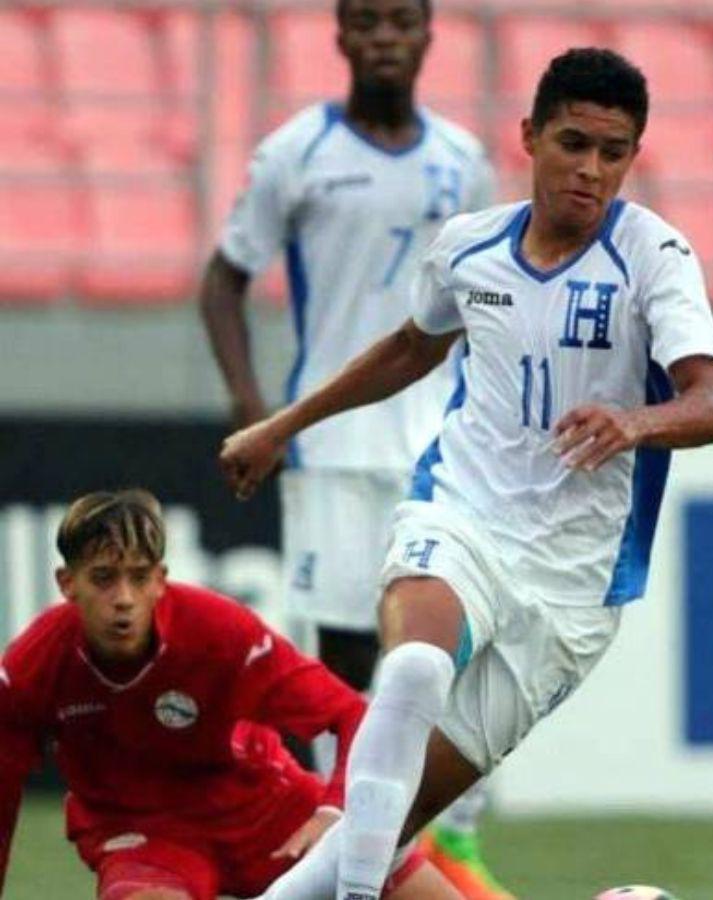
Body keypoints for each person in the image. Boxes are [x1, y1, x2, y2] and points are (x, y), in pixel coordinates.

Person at [220, 46, 713, 900]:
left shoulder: (655, 257)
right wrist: (284, 425)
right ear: (529, 136)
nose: (592, 170)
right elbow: (411, 348)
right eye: (574, 143)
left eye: (614, 154)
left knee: (380, 828)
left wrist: (636, 420)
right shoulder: (470, 248)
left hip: (572, 589)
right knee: (415, 667)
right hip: (461, 516)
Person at [198, 0, 509, 893]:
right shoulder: (296, 152)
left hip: (442, 450)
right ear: (339, 36)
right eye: (366, 22)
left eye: (400, 22)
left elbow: (492, 300)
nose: (383, 38)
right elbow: (223, 278)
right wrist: (257, 408)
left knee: (448, 651)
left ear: (426, 35)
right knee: (342, 668)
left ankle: (452, 841)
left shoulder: (463, 162)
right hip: (330, 448)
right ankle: (349, 858)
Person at [0, 489, 460, 900]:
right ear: (67, 584)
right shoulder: (32, 666)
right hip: (142, 835)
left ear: (160, 580)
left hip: (263, 811)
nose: (123, 598)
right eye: (103, 578)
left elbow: (349, 714)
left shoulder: (221, 632)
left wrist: (334, 810)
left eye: (138, 578)